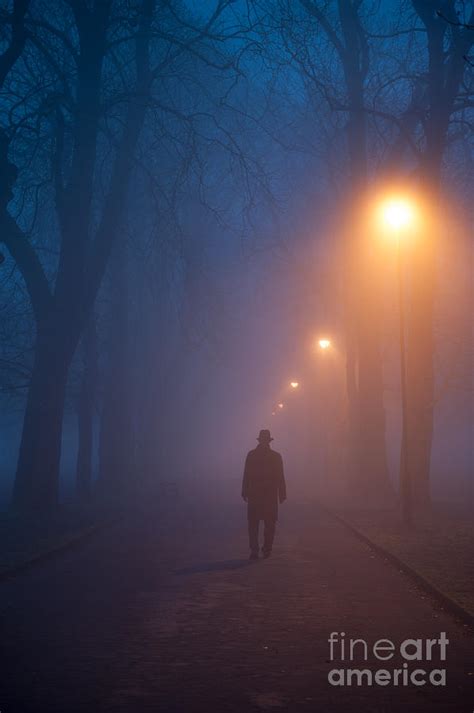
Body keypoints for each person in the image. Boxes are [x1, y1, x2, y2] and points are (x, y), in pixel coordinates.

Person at [241, 429, 286, 560]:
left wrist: (282, 493)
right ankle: (259, 550)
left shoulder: (253, 455)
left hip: (260, 495)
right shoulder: (275, 456)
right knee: (259, 524)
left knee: (265, 524)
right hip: (264, 495)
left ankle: (263, 549)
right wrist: (244, 490)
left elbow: (280, 476)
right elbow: (247, 474)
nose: (265, 442)